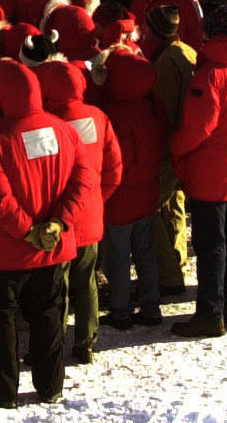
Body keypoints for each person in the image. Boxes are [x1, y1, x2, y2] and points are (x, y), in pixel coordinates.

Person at [0, 60, 95, 410]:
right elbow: (83, 180)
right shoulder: (65, 130)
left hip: (6, 249)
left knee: (2, 321)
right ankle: (50, 385)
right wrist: (58, 223)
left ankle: (2, 390)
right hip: (54, 246)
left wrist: (27, 231)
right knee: (49, 316)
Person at [168, 5, 227, 338]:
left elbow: (198, 128)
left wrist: (174, 148)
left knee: (212, 244)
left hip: (212, 173)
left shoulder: (210, 76)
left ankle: (210, 313)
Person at [35, 61, 121, 364]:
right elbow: (114, 169)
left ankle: (52, 342)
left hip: (57, 217)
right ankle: (85, 341)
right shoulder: (98, 118)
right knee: (87, 282)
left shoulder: (46, 124)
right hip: (90, 212)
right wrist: (96, 199)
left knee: (57, 285)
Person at [93, 50, 166, 329]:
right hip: (147, 187)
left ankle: (121, 311)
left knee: (118, 255)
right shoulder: (152, 102)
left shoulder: (111, 110)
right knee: (146, 251)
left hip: (120, 194)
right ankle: (151, 307)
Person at [142, 4, 194, 296]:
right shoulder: (186, 52)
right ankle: (178, 263)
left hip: (169, 146)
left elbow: (162, 111)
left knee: (149, 207)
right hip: (182, 146)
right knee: (174, 205)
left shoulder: (166, 62)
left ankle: (168, 275)